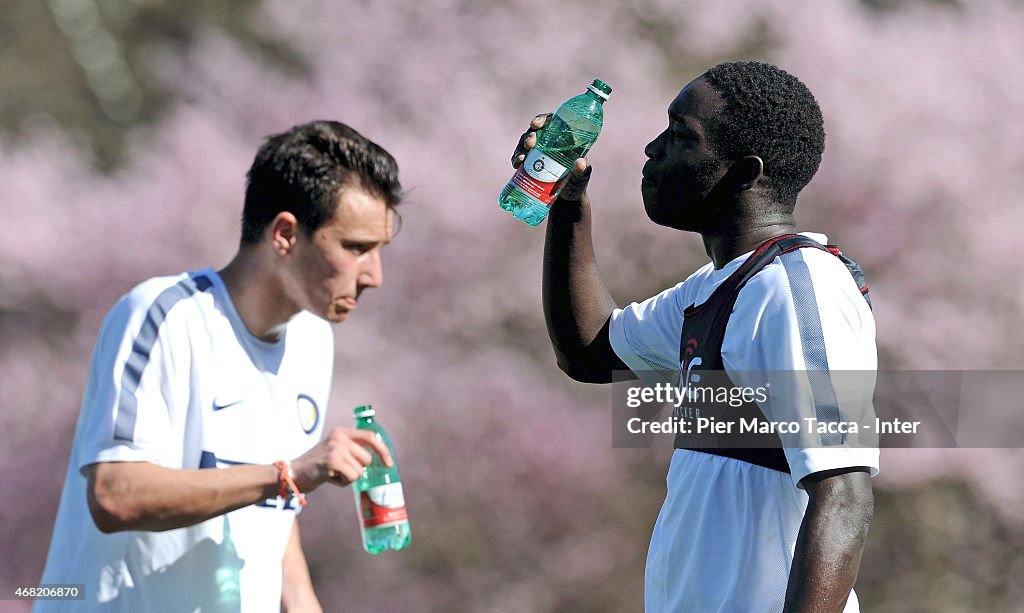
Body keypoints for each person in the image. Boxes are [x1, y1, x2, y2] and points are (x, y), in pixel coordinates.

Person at [517, 61, 878, 611]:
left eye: (682, 135)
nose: (652, 148)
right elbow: (590, 350)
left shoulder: (796, 289)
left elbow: (844, 493)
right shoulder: (717, 288)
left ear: (743, 173)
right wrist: (568, 205)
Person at [36, 120, 401, 612]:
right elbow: (116, 495)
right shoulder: (164, 315)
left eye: (380, 250)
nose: (375, 276)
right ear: (286, 235)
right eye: (355, 248)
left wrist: (303, 601)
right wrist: (289, 473)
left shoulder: (314, 337)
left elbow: (270, 506)